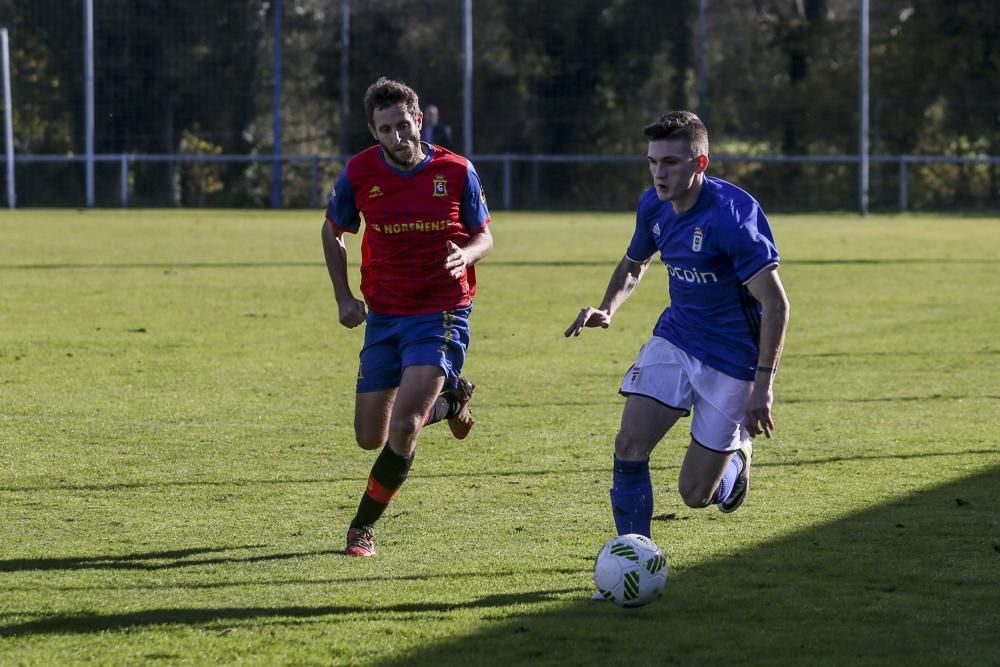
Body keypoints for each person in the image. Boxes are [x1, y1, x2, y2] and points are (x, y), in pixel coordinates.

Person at [565, 110, 789, 553]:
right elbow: (635, 262)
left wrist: (764, 385)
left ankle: (735, 461)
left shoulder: (733, 216)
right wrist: (608, 307)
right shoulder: (653, 205)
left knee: (694, 495)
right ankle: (635, 556)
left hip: (732, 361)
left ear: (699, 164)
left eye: (670, 162)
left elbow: (776, 303)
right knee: (629, 443)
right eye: (652, 161)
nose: (659, 173)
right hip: (676, 338)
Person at [322, 77, 494, 557]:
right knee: (368, 436)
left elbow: (485, 236)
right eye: (386, 130)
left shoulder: (456, 171)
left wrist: (467, 256)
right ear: (373, 132)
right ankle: (453, 399)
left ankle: (361, 529)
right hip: (385, 315)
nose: (399, 137)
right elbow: (333, 231)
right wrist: (344, 297)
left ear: (419, 119)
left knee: (402, 428)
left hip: (441, 312)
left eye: (404, 124)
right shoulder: (359, 173)